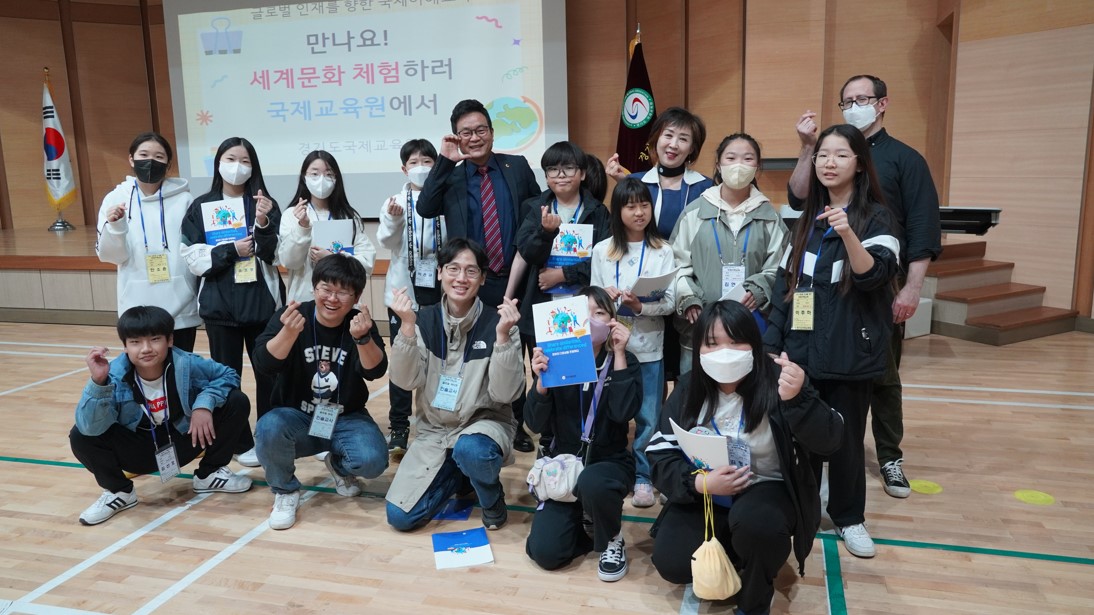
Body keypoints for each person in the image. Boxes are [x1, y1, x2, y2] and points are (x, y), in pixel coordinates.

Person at [788, 76, 941, 499]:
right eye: (848, 101)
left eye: (863, 99)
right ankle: (818, 470)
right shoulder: (823, 160)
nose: (855, 105)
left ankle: (890, 456)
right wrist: (808, 147)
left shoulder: (905, 159)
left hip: (877, 282)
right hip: (821, 292)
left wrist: (911, 288)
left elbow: (923, 227)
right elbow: (799, 199)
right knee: (818, 377)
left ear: (882, 103)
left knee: (881, 376)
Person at [647, 301, 844, 615]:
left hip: (766, 488)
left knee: (760, 529)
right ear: (698, 350)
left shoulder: (781, 381)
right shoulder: (688, 388)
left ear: (754, 344)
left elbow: (831, 440)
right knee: (672, 561)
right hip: (708, 491)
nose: (724, 352)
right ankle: (740, 551)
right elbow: (660, 455)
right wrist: (699, 483)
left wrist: (798, 400)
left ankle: (754, 596)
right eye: (712, 343)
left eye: (736, 341)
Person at [764, 124, 900, 558]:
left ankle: (849, 517)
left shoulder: (877, 217)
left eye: (841, 155)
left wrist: (847, 233)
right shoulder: (806, 219)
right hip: (802, 349)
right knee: (799, 433)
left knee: (845, 439)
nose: (829, 162)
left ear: (859, 164)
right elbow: (788, 287)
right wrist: (771, 340)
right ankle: (801, 508)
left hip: (850, 350)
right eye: (823, 154)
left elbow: (874, 276)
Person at [416, 98, 542, 453]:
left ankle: (534, 422)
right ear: (456, 138)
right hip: (474, 283)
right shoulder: (452, 175)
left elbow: (535, 212)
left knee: (525, 350)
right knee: (487, 357)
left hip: (517, 278)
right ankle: (504, 421)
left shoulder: (516, 167)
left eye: (480, 130)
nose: (474, 138)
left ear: (492, 131)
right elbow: (425, 207)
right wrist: (444, 160)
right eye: (465, 133)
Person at [386, 238, 524, 531]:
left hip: (482, 426)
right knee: (400, 517)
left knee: (471, 450)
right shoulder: (421, 320)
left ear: (483, 278)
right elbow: (405, 381)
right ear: (440, 273)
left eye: (471, 271)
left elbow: (505, 394)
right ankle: (462, 475)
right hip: (435, 432)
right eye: (453, 269)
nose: (461, 278)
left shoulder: (500, 324)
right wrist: (407, 327)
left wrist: (502, 339)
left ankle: (491, 496)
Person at [69, 306, 253, 526]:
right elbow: (90, 427)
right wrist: (99, 383)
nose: (146, 349)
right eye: (135, 342)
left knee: (236, 401)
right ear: (125, 346)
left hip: (184, 440)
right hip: (137, 450)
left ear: (170, 340)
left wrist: (203, 405)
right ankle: (119, 491)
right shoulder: (114, 375)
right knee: (79, 435)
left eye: (155, 339)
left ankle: (209, 473)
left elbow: (228, 375)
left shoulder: (186, 363)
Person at [251, 255, 389, 530]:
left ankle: (338, 465)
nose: (333, 299)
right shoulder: (292, 316)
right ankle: (285, 491)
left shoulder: (359, 323)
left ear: (357, 296)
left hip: (346, 416)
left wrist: (362, 338)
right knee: (268, 428)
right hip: (297, 417)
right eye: (326, 288)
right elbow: (263, 364)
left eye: (343, 292)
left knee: (373, 461)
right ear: (314, 288)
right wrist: (288, 334)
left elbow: (375, 370)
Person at [524, 286, 639, 581]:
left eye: (599, 313)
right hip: (563, 465)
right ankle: (585, 523)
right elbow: (533, 423)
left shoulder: (624, 361)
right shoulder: (556, 360)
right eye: (583, 313)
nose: (590, 320)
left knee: (592, 482)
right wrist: (541, 381)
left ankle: (611, 537)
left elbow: (623, 413)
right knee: (545, 553)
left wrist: (619, 353)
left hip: (608, 463)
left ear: (612, 321)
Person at [180, 137, 282, 466]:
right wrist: (231, 251)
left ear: (254, 167)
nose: (237, 166)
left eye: (245, 160)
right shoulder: (201, 206)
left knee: (268, 375)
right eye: (230, 158)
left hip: (261, 304)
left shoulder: (264, 204)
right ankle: (240, 442)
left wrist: (263, 223)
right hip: (219, 307)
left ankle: (268, 436)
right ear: (218, 163)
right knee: (227, 377)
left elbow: (275, 255)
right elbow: (192, 257)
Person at [606, 106, 713, 382]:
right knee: (650, 369)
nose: (673, 144)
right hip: (645, 292)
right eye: (668, 135)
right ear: (656, 139)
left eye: (683, 138)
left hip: (689, 287)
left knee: (684, 367)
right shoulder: (636, 182)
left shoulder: (706, 188)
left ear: (693, 148)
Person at [589, 178, 675, 508]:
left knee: (648, 417)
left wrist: (640, 306)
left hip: (649, 345)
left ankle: (644, 476)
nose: (639, 212)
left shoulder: (662, 250)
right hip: (610, 347)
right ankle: (612, 467)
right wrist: (604, 297)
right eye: (630, 206)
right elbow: (590, 302)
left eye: (644, 205)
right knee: (610, 412)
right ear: (618, 210)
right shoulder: (602, 250)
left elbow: (670, 303)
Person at [672, 133, 789, 374]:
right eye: (731, 158)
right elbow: (676, 265)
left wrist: (758, 289)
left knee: (749, 391)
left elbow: (780, 268)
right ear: (718, 164)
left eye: (748, 159)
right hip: (701, 329)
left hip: (750, 329)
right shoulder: (694, 213)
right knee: (695, 392)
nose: (738, 165)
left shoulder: (770, 217)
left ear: (757, 167)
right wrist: (689, 298)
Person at [96, 132, 199, 352]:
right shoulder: (115, 199)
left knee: (181, 366)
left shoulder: (185, 199)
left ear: (168, 164)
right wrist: (115, 227)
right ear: (131, 159)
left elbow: (194, 248)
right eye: (143, 155)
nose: (151, 161)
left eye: (159, 156)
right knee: (144, 365)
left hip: (181, 305)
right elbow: (111, 256)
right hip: (136, 306)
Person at [376, 139, 444, 457]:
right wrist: (394, 219)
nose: (421, 168)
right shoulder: (394, 202)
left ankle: (433, 420)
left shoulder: (445, 197)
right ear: (404, 169)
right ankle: (399, 425)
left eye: (427, 161)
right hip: (404, 293)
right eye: (414, 162)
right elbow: (387, 242)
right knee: (403, 359)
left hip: (440, 291)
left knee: (439, 361)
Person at [278, 149, 377, 304]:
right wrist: (303, 227)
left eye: (329, 174)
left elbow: (367, 263)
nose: (321, 180)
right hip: (304, 300)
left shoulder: (348, 216)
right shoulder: (292, 214)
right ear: (304, 177)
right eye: (315, 174)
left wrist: (332, 258)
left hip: (341, 300)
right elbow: (290, 262)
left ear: (336, 178)